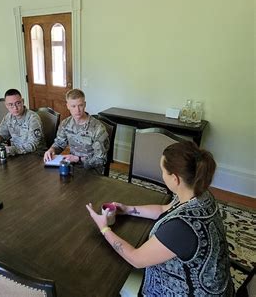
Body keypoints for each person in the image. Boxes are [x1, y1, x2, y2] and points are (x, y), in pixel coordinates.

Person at [86, 141, 233, 296]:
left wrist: (104, 228)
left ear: (175, 179)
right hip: (218, 284)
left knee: (110, 280)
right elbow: (164, 209)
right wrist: (128, 209)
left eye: (163, 171)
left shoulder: (181, 228)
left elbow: (136, 259)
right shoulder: (199, 193)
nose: (162, 175)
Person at [43, 89, 109, 173]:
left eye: (80, 105)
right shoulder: (65, 123)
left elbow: (100, 160)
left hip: (91, 170)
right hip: (71, 166)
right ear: (67, 106)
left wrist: (78, 159)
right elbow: (59, 144)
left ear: (85, 105)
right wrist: (51, 150)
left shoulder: (98, 128)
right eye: (73, 106)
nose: (77, 110)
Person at [0, 88, 44, 155]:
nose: (15, 108)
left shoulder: (33, 118)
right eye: (11, 104)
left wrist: (10, 149)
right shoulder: (8, 117)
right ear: (6, 105)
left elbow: (33, 145)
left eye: (18, 103)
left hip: (35, 155)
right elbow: (1, 134)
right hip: (16, 154)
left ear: (23, 101)